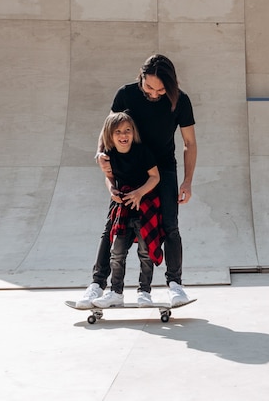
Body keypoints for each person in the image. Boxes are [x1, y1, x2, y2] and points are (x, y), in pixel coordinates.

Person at [76, 54, 197, 308]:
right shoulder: (126, 94)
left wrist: (187, 181)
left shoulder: (180, 100)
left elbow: (189, 143)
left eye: (161, 89)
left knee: (170, 226)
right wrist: (100, 152)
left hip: (162, 169)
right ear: (141, 78)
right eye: (149, 87)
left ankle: (175, 285)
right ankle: (97, 285)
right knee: (113, 227)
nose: (154, 94)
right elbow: (108, 127)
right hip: (128, 166)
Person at [90, 112, 163, 308]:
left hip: (144, 207)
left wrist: (139, 193)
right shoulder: (110, 156)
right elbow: (109, 178)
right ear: (110, 135)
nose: (124, 135)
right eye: (118, 132)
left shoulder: (143, 152)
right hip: (122, 210)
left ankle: (144, 292)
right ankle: (115, 292)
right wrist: (111, 189)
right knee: (117, 252)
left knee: (145, 253)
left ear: (133, 133)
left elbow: (155, 177)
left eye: (127, 131)